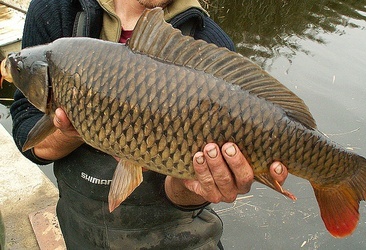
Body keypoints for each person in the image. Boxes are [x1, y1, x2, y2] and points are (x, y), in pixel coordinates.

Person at [10, 0, 288, 248]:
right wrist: (74, 128)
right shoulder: (56, 8)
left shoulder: (209, 42)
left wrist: (198, 185)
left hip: (177, 232)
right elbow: (27, 133)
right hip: (80, 226)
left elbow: (184, 192)